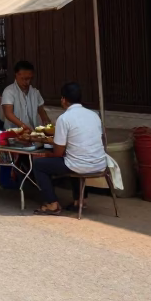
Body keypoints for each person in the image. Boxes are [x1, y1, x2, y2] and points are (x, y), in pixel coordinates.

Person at [30, 82, 109, 216]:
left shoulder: (64, 118)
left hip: (80, 165)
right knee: (73, 156)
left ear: (63, 99)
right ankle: (80, 200)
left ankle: (52, 204)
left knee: (38, 164)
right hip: (100, 163)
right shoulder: (94, 115)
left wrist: (47, 152)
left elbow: (58, 152)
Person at [0, 59, 51, 133]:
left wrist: (47, 122)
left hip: (33, 133)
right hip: (13, 133)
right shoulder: (9, 91)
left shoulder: (35, 92)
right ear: (16, 75)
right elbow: (8, 113)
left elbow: (41, 111)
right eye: (24, 79)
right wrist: (23, 126)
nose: (27, 82)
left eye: (29, 79)